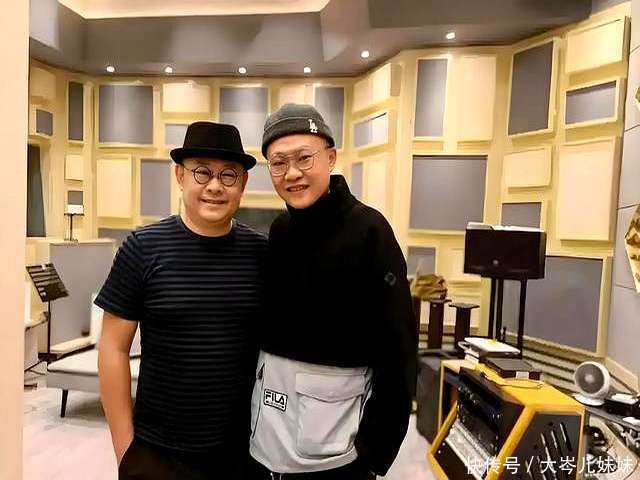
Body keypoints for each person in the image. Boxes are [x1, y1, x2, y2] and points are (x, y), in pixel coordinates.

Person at [248, 104, 418, 479]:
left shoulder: (370, 231)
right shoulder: (280, 230)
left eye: (304, 158)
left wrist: (373, 452)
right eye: (278, 163)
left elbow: (398, 349)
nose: (292, 173)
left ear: (331, 157)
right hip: (270, 435)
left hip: (337, 452)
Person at [96, 121, 266, 480]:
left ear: (243, 183)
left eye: (229, 175)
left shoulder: (261, 254)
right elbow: (113, 347)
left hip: (242, 454)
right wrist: (127, 453)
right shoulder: (142, 248)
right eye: (202, 172)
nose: (215, 186)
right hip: (157, 454)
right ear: (180, 175)